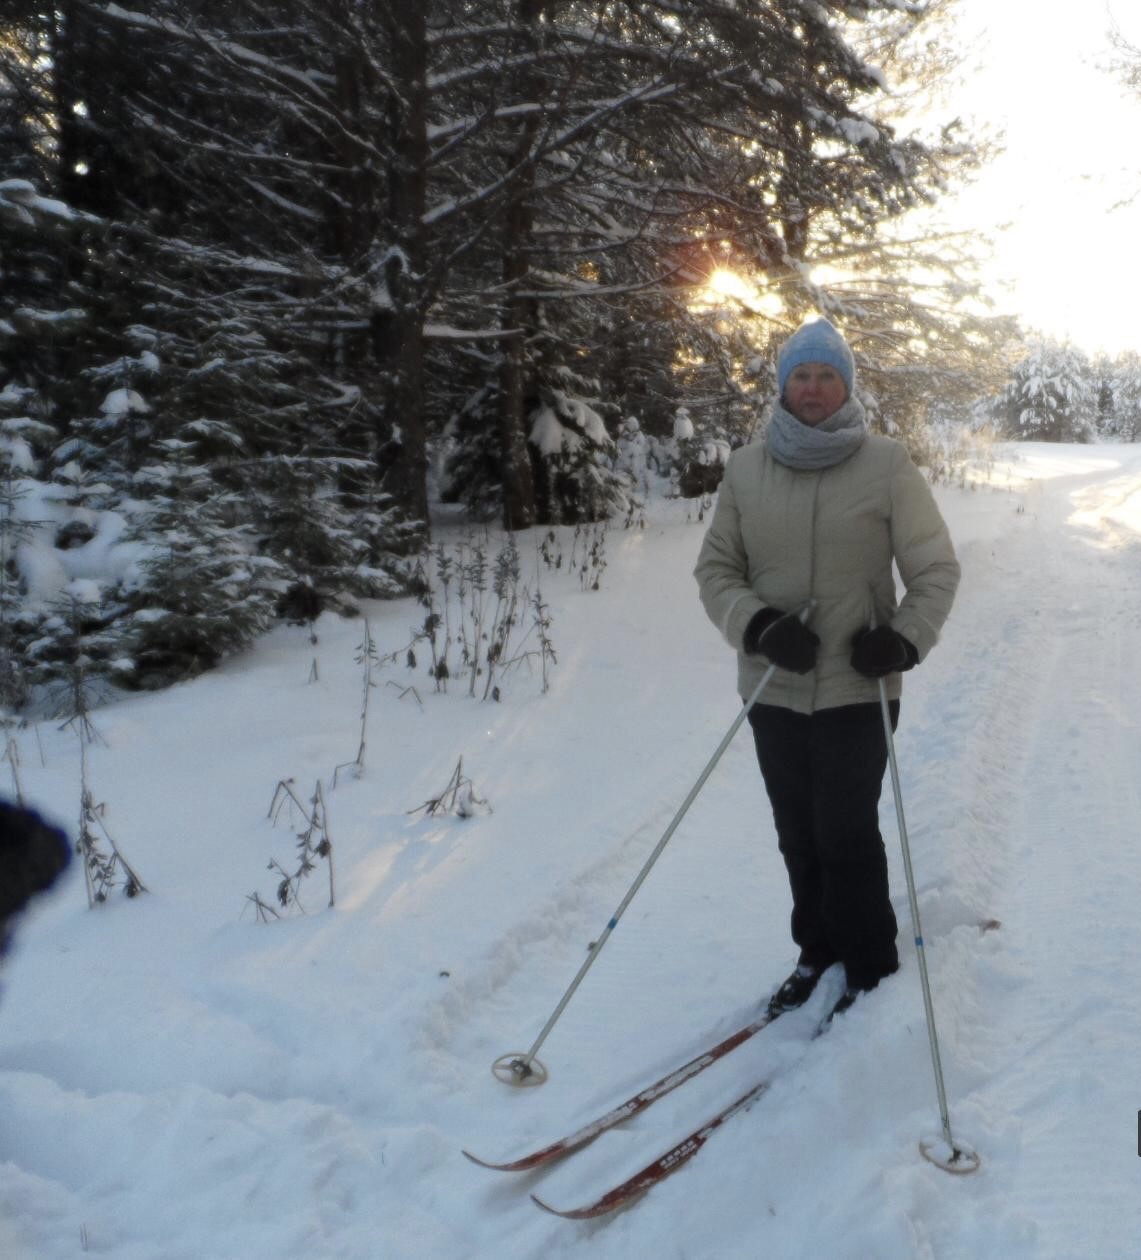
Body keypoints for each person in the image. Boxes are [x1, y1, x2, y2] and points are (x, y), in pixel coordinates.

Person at [693, 317, 960, 1020]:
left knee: (843, 828)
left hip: (856, 686)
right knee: (796, 830)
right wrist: (756, 627)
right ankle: (815, 950)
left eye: (825, 375)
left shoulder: (886, 464)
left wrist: (901, 640)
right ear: (783, 386)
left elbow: (933, 567)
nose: (811, 388)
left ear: (845, 386)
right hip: (772, 688)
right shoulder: (746, 468)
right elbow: (715, 569)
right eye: (800, 376)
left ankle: (869, 963)